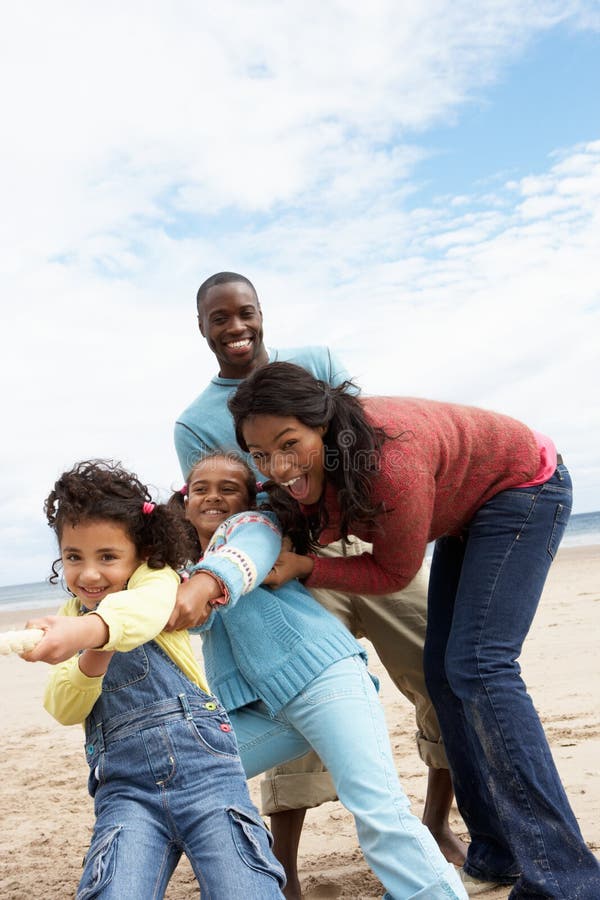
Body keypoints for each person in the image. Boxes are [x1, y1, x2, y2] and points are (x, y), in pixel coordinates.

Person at [227, 360, 600, 899]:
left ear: (324, 425)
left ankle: (569, 879)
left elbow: (392, 571)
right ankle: (495, 854)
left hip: (523, 486)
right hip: (467, 504)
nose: (279, 467)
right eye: (261, 454)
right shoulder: (309, 469)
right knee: (443, 673)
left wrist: (307, 567)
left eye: (289, 444)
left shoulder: (387, 463)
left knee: (480, 668)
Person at [174, 271, 466, 895]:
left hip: (362, 535)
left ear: (260, 311)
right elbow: (220, 514)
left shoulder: (317, 362)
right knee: (299, 687)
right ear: (201, 328)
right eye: (219, 319)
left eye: (244, 312)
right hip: (285, 554)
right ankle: (286, 868)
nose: (235, 327)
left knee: (434, 670)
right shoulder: (195, 422)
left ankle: (437, 823)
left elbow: (361, 443)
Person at [166, 451, 467, 900]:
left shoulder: (253, 530)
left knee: (379, 814)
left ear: (250, 499)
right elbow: (196, 618)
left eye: (228, 488)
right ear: (184, 502)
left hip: (325, 681)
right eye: (200, 489)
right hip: (266, 709)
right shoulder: (187, 568)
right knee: (176, 779)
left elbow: (241, 561)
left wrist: (202, 584)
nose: (213, 496)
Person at [22, 459, 286, 900]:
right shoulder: (69, 617)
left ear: (140, 554)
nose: (88, 574)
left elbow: (142, 615)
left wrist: (87, 633)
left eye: (107, 557)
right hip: (125, 791)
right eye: (73, 557)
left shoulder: (156, 583)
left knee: (247, 889)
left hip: (206, 773)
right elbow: (63, 706)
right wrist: (91, 655)